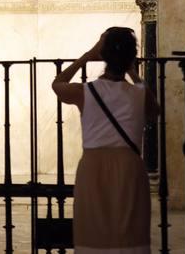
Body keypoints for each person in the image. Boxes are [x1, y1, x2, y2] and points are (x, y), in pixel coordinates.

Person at [52, 27, 159, 254]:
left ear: (104, 55)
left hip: (94, 169)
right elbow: (154, 110)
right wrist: (132, 71)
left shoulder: (85, 92)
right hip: (129, 168)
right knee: (131, 238)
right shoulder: (140, 94)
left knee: (94, 238)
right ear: (131, 57)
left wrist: (86, 56)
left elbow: (57, 84)